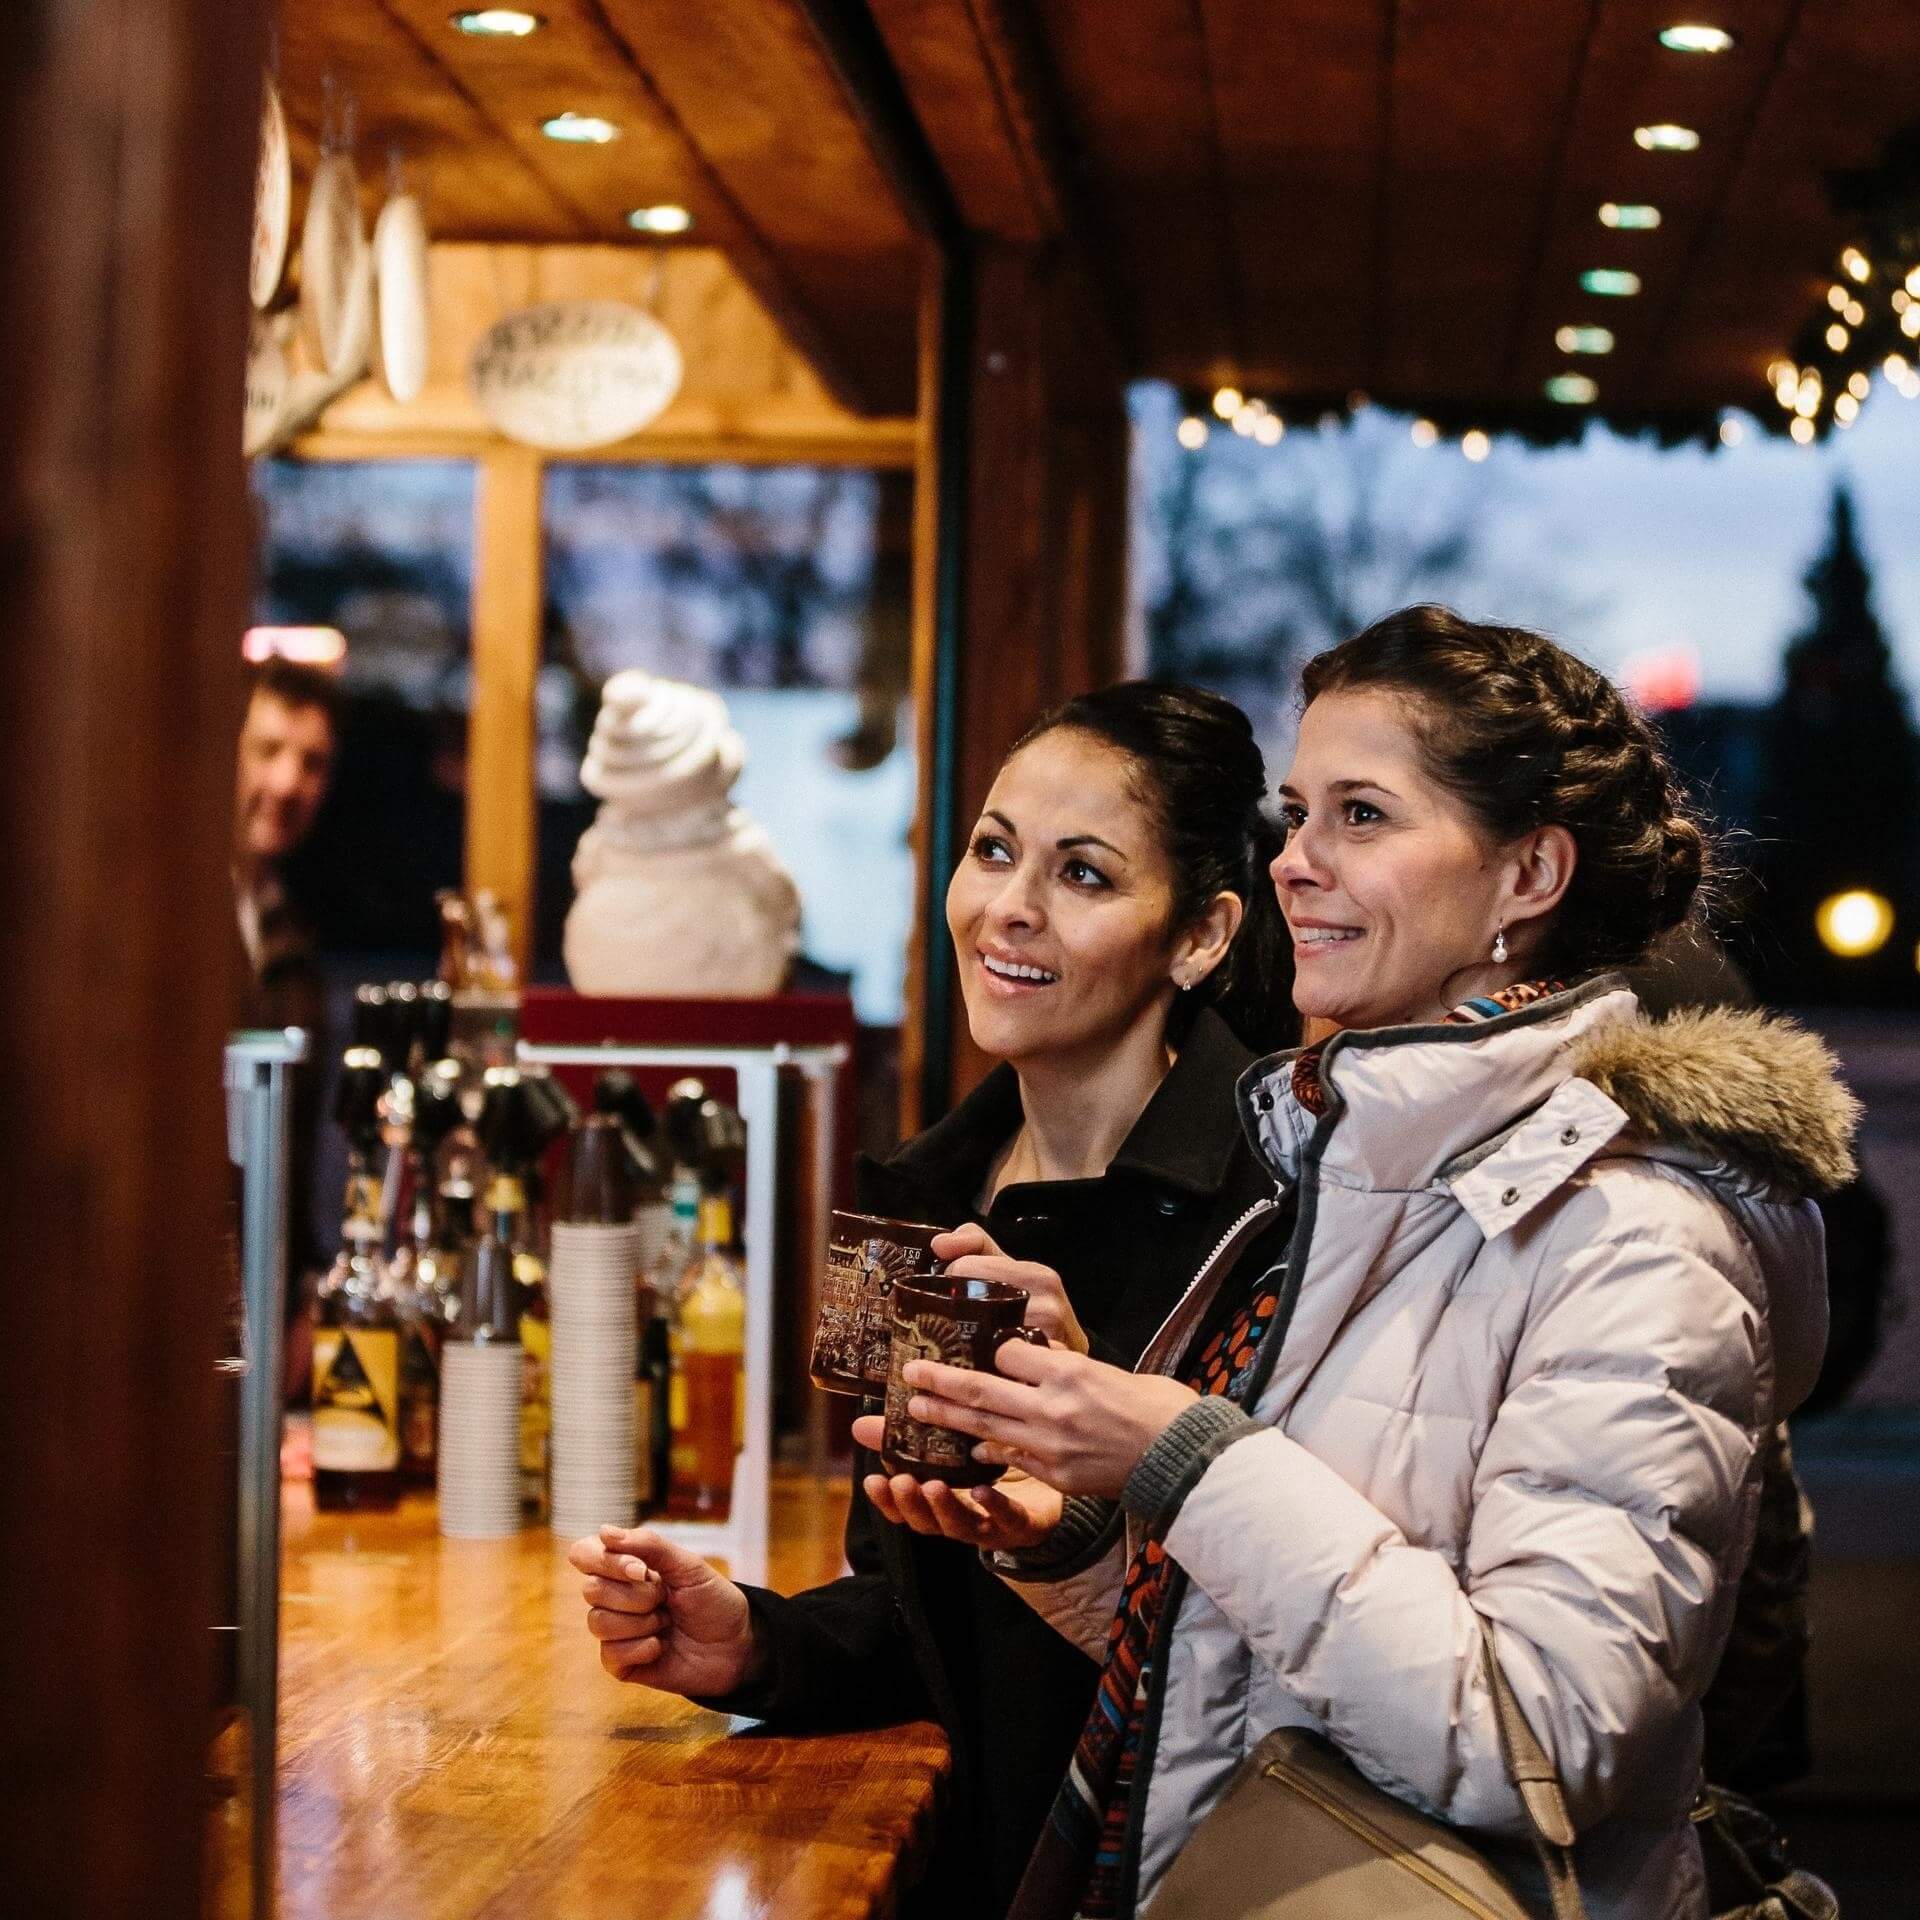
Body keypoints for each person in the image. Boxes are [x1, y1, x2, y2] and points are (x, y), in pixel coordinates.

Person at [884, 607, 1854, 1919]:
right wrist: (1087, 1538)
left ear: (1529, 877)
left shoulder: (1635, 1233)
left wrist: (1189, 1458)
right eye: (1296, 816)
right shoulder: (1353, 1169)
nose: (1296, 863)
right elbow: (1264, 1655)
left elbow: (1545, 1736)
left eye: (1362, 817)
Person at [570, 684, 1297, 1918]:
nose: (1007, 906)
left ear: (1201, 936)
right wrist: (757, 1645)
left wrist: (1086, 1511)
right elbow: (913, 1599)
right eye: (994, 850)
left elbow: (1274, 1651)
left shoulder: (1273, 1209)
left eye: (1084, 875)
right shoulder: (922, 1193)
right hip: (971, 1861)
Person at [232, 655, 338, 1313]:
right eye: (267, 749)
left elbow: (290, 1148)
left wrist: (300, 1291)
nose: (287, 782)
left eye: (312, 762)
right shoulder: (158, 919)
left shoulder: (285, 925)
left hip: (261, 1302)